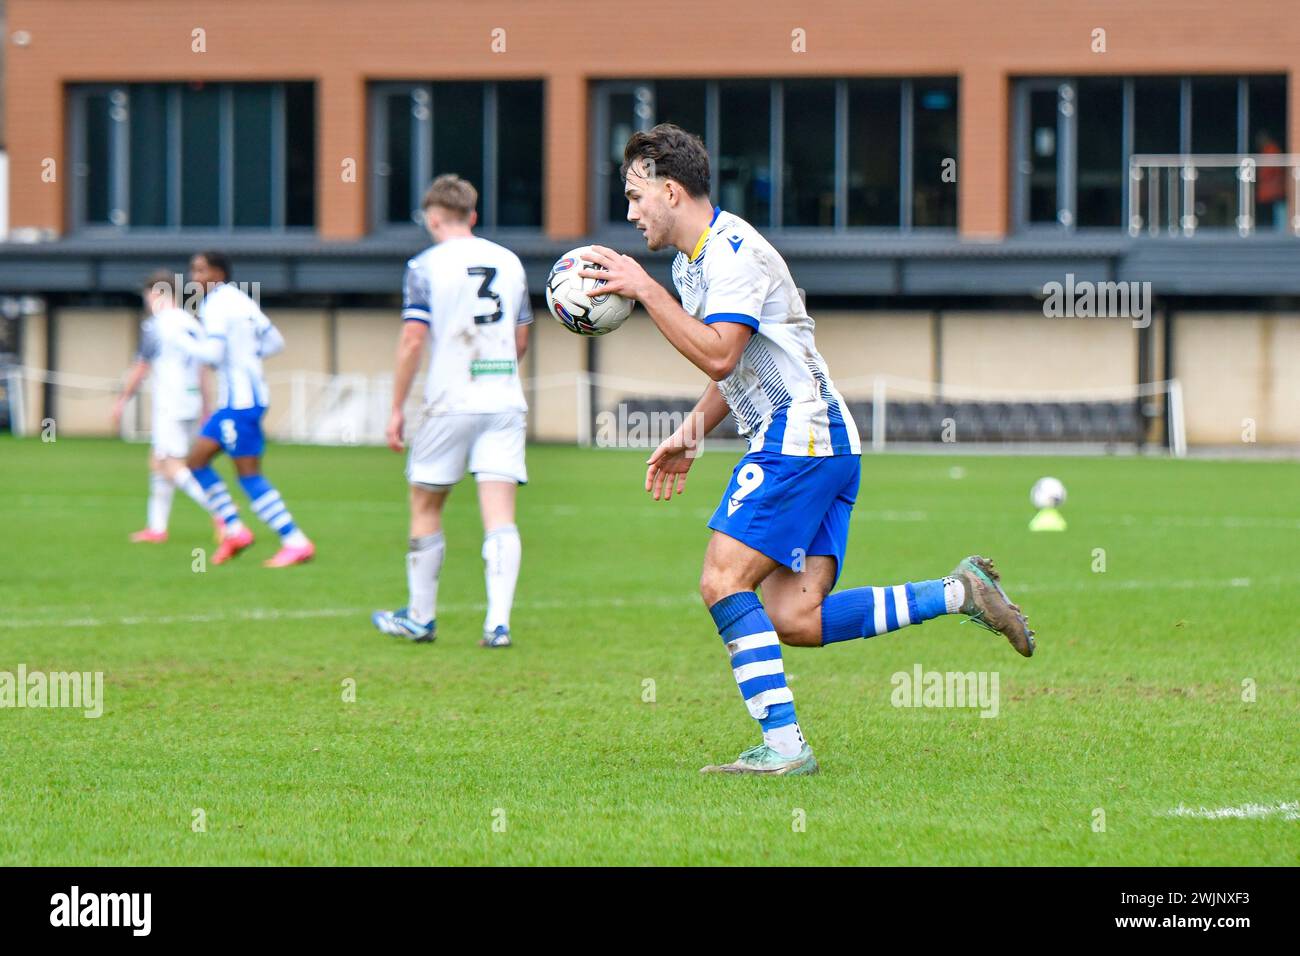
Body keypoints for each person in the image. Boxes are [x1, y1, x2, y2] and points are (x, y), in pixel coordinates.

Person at [581, 124, 1034, 776]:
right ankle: (959, 593)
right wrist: (690, 432)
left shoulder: (732, 253)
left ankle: (786, 748)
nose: (630, 214)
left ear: (671, 192)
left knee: (721, 579)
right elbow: (733, 370)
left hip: (799, 437)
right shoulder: (690, 263)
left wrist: (642, 290)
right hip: (821, 441)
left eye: (634, 197)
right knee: (794, 616)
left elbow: (719, 350)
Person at [371, 175, 531, 648]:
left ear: (432, 218)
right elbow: (521, 339)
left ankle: (421, 617)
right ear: (473, 216)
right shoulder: (510, 262)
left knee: (426, 504)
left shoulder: (424, 265)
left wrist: (396, 407)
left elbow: (412, 339)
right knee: (500, 515)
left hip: (449, 401)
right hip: (503, 399)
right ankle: (497, 624)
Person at [182, 251, 315, 568]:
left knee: (249, 475)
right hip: (242, 400)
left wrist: (181, 342)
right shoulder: (242, 300)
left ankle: (294, 540)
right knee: (197, 461)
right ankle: (234, 529)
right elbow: (275, 343)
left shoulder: (215, 305)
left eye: (200, 270)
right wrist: (247, 358)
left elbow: (213, 354)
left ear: (217, 272)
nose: (193, 277)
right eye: (193, 270)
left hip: (240, 403)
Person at [112, 270, 220, 543]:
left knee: (169, 463)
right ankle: (157, 528)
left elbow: (141, 366)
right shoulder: (192, 322)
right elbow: (203, 369)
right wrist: (207, 407)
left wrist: (122, 400)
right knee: (159, 461)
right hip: (191, 400)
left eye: (148, 294)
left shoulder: (157, 324)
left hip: (170, 402)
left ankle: (222, 512)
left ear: (158, 294)